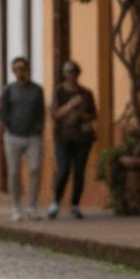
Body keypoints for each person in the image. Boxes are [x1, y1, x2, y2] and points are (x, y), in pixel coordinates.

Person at [47, 60, 97, 219]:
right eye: (68, 72)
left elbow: (93, 114)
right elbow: (55, 114)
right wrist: (70, 106)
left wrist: (81, 115)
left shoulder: (86, 93)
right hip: (62, 137)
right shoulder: (58, 92)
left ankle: (75, 204)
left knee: (79, 171)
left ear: (78, 74)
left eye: (73, 72)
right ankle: (55, 202)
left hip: (82, 137)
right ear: (64, 74)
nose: (71, 75)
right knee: (63, 169)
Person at [0, 56, 45, 221]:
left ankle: (32, 207)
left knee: (35, 170)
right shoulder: (8, 90)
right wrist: (8, 128)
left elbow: (41, 112)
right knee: (14, 173)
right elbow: (3, 112)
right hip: (12, 136)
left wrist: (38, 130)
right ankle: (16, 207)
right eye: (17, 69)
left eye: (22, 68)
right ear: (13, 71)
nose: (20, 71)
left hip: (33, 136)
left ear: (27, 69)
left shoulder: (37, 90)